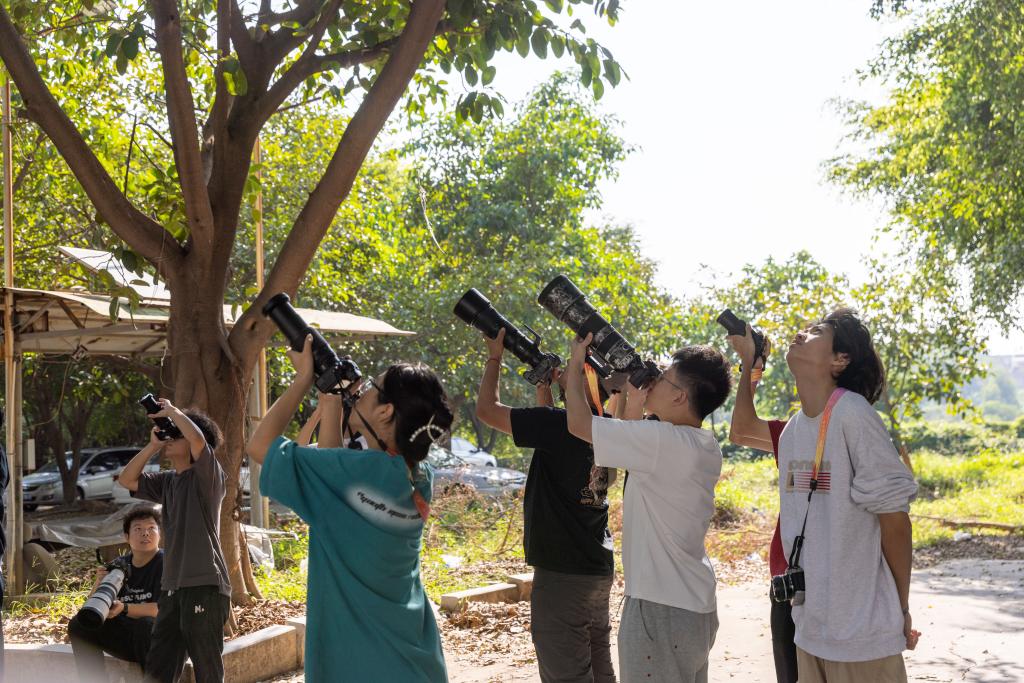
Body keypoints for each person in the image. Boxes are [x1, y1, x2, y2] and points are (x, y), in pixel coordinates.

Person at [245, 335, 452, 683]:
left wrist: (302, 379)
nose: (362, 390)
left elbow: (259, 446)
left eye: (371, 387)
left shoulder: (352, 473)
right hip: (414, 660)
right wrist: (332, 406)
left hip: (362, 665)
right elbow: (333, 483)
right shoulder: (417, 476)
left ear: (385, 411)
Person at [564, 334, 732, 683]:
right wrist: (635, 399)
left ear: (679, 396)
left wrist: (576, 363)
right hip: (693, 606)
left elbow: (578, 424)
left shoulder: (662, 442)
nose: (655, 378)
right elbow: (632, 449)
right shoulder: (703, 445)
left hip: (660, 609)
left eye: (664, 376)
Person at [775, 308, 919, 682]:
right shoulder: (792, 432)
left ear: (840, 359)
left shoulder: (853, 414)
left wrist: (900, 608)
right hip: (810, 630)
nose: (801, 334)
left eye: (815, 332)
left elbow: (895, 522)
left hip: (862, 636)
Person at [475, 329, 616, 683]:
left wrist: (494, 356)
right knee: (598, 666)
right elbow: (556, 442)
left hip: (562, 574)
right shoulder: (609, 430)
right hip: (596, 567)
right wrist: (544, 388)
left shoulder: (556, 426)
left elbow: (486, 410)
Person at [118, 400, 230, 683]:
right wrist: (152, 446)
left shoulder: (208, 476)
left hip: (205, 586)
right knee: (159, 668)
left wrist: (174, 412)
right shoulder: (167, 481)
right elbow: (127, 480)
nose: (169, 438)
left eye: (175, 434)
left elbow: (198, 440)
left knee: (208, 671)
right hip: (171, 589)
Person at [726, 326, 798, 683]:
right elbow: (740, 430)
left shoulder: (847, 427)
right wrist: (751, 367)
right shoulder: (795, 432)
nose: (799, 340)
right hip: (786, 579)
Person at [67, 506, 164, 682]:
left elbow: (162, 610)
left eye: (151, 528)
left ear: (160, 534)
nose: (145, 533)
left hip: (160, 640)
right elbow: (90, 609)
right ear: (127, 537)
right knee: (80, 625)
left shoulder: (167, 564)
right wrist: (98, 583)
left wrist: (124, 608)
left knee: (146, 624)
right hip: (127, 639)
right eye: (138, 529)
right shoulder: (119, 565)